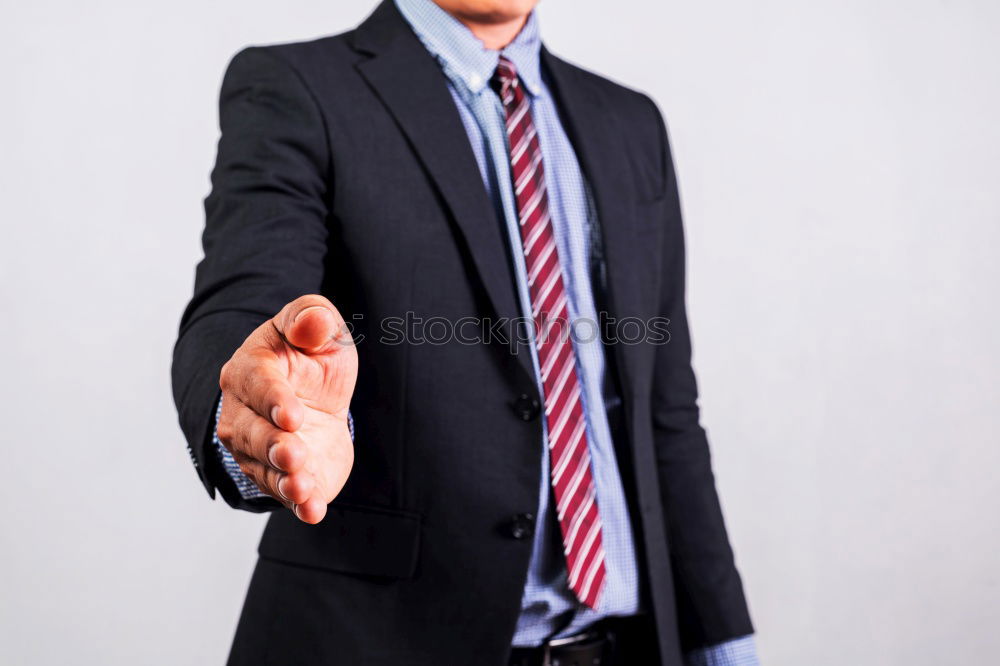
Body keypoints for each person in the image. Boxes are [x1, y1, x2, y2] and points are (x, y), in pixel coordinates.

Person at [171, 1, 759, 663]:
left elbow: (666, 415)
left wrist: (724, 643)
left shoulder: (630, 123)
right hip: (381, 643)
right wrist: (264, 412)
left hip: (622, 649)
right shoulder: (297, 87)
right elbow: (243, 300)